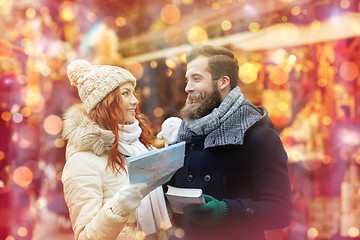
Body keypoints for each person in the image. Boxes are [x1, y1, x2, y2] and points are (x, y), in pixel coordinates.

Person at [158, 45, 292, 240]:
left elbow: (281, 211)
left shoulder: (258, 134)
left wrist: (225, 211)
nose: (187, 88)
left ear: (223, 82)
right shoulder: (183, 133)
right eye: (188, 79)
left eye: (196, 78)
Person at [61, 60, 171, 240]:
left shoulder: (140, 146)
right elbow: (84, 236)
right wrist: (118, 207)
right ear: (106, 102)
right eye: (125, 94)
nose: (135, 101)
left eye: (133, 93)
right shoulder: (81, 162)